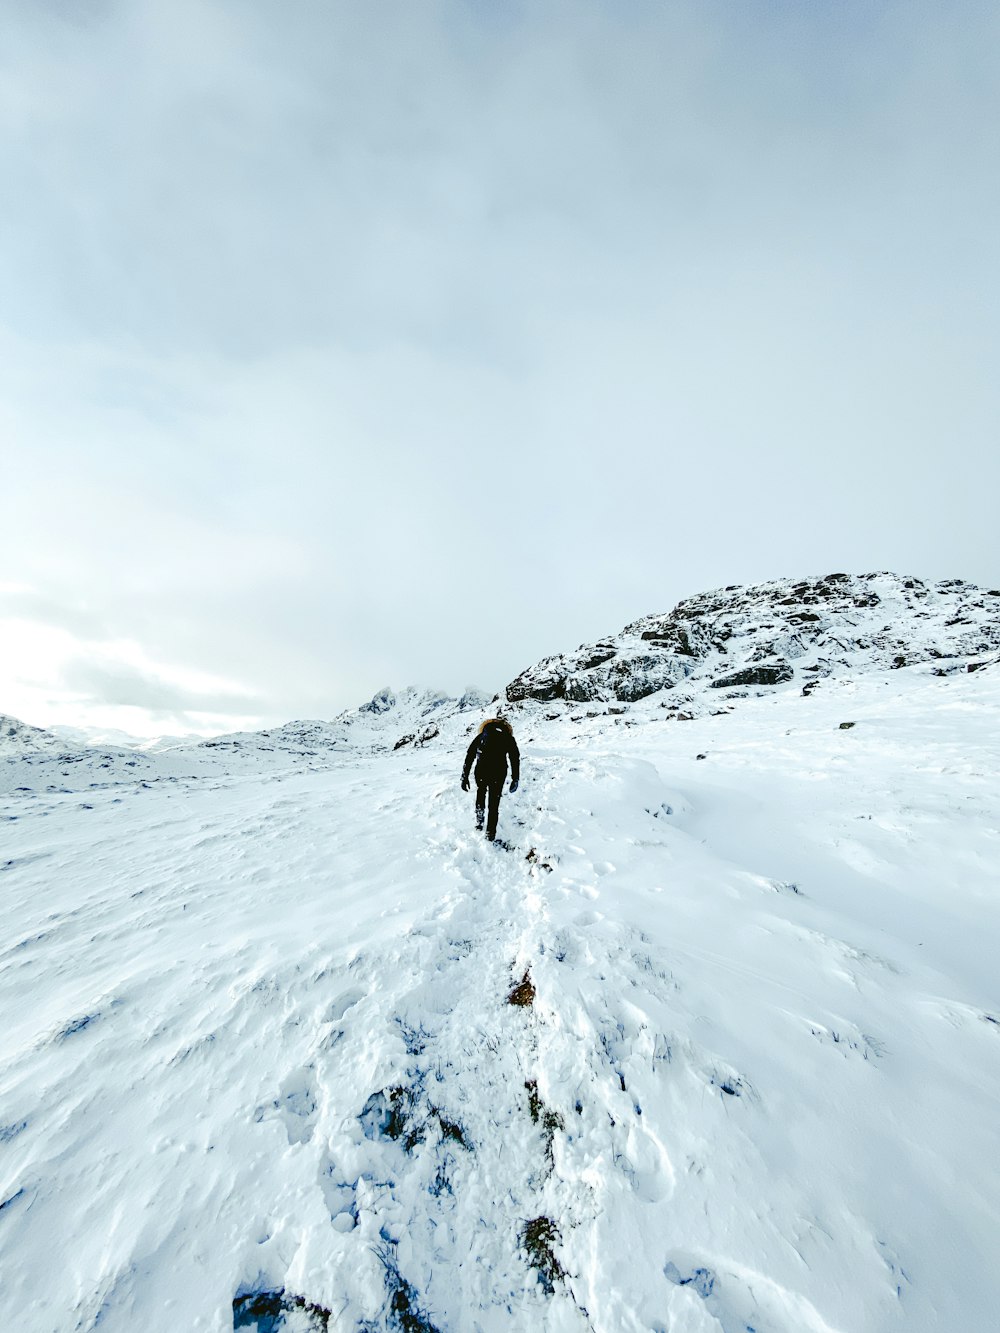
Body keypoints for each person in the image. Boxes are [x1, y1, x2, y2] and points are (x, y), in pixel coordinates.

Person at [461, 716, 520, 842]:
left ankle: (479, 821)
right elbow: (514, 758)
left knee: (481, 792)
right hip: (499, 771)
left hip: (481, 770)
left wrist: (464, 776)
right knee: (494, 801)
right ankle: (490, 832)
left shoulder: (482, 735)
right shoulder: (508, 737)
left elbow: (470, 755)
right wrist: (515, 778)